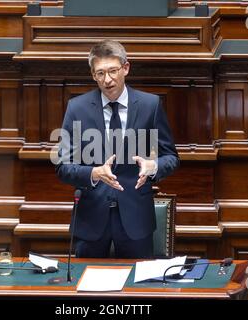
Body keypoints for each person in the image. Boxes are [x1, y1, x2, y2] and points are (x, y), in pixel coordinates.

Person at [55, 40, 179, 259]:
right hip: (91, 218)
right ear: (93, 75)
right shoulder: (77, 108)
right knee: (87, 288)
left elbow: (171, 157)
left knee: (138, 290)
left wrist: (153, 166)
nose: (107, 80)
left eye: (113, 71)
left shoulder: (150, 105)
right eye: (100, 73)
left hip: (136, 218)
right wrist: (93, 173)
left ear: (126, 68)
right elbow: (62, 166)